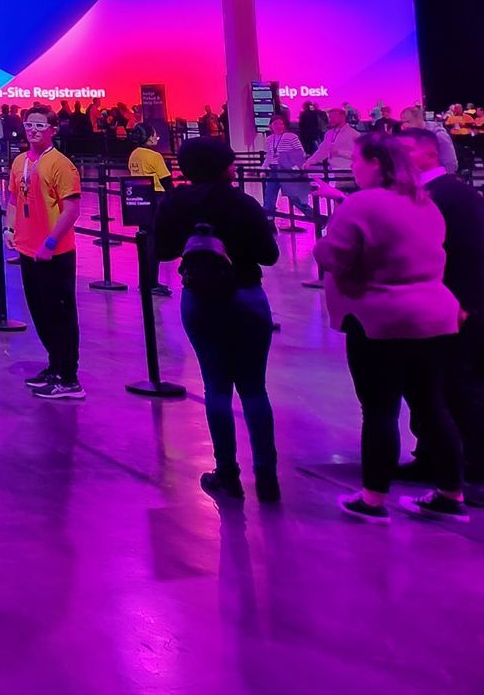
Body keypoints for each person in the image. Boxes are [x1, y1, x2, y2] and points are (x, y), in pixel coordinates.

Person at [316, 132, 467, 522]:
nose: (353, 167)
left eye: (357, 161)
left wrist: (321, 245)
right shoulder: (425, 202)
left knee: (380, 410)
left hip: (379, 319)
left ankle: (372, 499)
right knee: (431, 405)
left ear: (376, 164)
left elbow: (336, 256)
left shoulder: (362, 204)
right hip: (433, 316)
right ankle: (451, 494)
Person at [153, 138, 282, 502]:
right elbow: (269, 255)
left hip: (200, 299)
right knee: (255, 389)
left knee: (216, 388)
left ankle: (227, 471)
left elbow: (161, 250)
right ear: (223, 166)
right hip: (247, 296)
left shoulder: (175, 203)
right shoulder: (243, 203)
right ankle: (267, 475)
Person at [400, 128, 484, 503]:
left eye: (405, 151)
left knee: (457, 383)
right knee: (431, 383)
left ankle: (475, 467)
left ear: (429, 154)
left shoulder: (443, 196)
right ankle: (433, 456)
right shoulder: (442, 193)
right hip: (441, 303)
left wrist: (465, 303)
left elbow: (466, 253)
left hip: (455, 306)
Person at [10, 106, 85, 399]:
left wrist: (51, 242)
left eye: (40, 125)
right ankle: (55, 366)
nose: (33, 130)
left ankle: (69, 378)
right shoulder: (19, 162)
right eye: (29, 124)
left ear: (53, 129)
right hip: (28, 250)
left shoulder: (60, 164)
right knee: (40, 313)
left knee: (61, 313)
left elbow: (72, 209)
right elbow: (14, 199)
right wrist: (9, 230)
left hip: (55, 253)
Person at [258, 113, 317, 227]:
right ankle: (269, 221)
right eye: (275, 124)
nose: (278, 126)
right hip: (274, 170)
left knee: (295, 197)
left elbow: (301, 153)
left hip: (287, 170)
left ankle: (315, 217)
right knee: (269, 195)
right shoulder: (270, 139)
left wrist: (293, 167)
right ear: (271, 126)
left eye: (281, 123)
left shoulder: (291, 137)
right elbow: (269, 156)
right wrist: (263, 168)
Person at [304, 105, 359, 192]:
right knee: (337, 200)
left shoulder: (353, 134)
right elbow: (322, 151)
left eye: (334, 117)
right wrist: (310, 161)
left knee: (343, 199)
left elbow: (360, 155)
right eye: (330, 117)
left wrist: (339, 152)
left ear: (342, 117)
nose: (331, 119)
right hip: (333, 171)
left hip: (347, 171)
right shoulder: (329, 134)